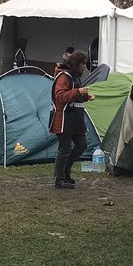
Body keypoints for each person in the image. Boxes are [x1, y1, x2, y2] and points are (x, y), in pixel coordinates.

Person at [50, 51, 95, 189]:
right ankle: (59, 178)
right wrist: (79, 92)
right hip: (63, 118)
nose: (85, 67)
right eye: (83, 64)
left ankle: (65, 171)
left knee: (81, 145)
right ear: (77, 64)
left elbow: (74, 95)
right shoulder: (64, 77)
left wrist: (85, 97)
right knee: (64, 149)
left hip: (75, 119)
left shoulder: (75, 76)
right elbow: (60, 97)